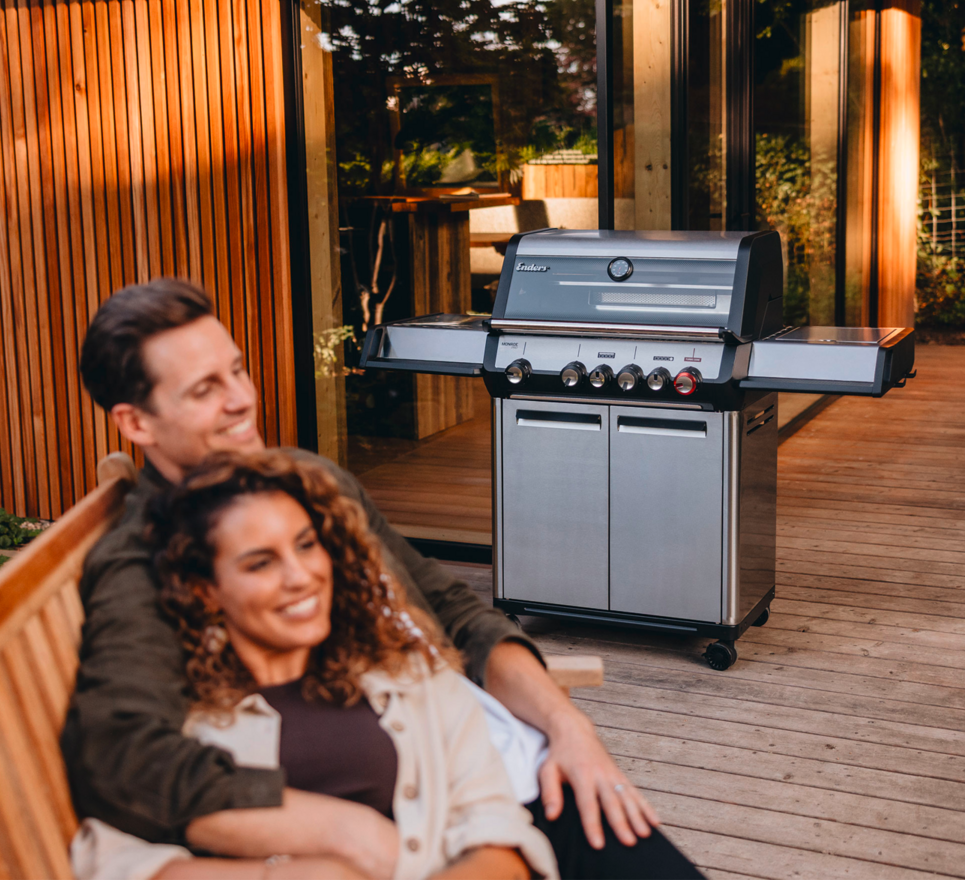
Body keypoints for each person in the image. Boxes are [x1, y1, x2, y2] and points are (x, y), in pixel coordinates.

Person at [63, 278, 701, 878]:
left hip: (495, 764)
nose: (241, 400)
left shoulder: (308, 483)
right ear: (137, 423)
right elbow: (122, 754)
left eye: (236, 370)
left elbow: (451, 609)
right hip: (436, 808)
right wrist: (349, 831)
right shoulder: (144, 559)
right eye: (203, 390)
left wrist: (568, 729)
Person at [72, 450, 559, 880]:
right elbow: (117, 858)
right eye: (260, 564)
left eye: (306, 545)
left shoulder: (408, 676)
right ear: (205, 589)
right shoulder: (187, 721)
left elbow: (499, 833)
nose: (301, 577)